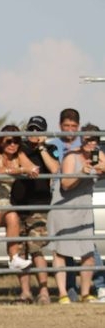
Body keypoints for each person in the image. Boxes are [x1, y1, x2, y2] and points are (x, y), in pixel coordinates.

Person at [49, 124, 104, 304]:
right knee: (61, 253)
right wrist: (81, 172)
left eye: (94, 139)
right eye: (87, 139)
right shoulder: (71, 156)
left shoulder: (98, 156)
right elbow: (65, 184)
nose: (90, 142)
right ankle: (63, 294)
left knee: (87, 252)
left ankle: (86, 294)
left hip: (84, 209)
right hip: (63, 208)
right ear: (81, 139)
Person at [12, 116, 60, 304]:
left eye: (38, 130)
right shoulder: (19, 148)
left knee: (36, 248)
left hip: (39, 205)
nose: (34, 134)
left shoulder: (51, 149)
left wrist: (42, 148)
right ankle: (25, 293)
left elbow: (55, 170)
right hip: (18, 204)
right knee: (21, 251)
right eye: (31, 130)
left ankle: (44, 291)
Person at [0, 124, 39, 272]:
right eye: (9, 141)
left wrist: (26, 168)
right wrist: (22, 170)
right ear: (1, 142)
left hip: (4, 205)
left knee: (12, 216)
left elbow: (33, 168)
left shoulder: (18, 155)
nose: (13, 145)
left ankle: (13, 258)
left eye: (17, 141)